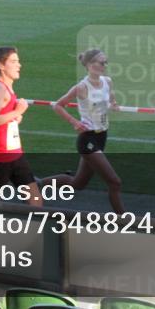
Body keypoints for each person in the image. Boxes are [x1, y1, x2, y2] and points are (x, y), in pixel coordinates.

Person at [41, 49, 125, 213]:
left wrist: (114, 104)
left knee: (77, 184)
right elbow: (58, 105)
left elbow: (111, 96)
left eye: (105, 62)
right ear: (89, 64)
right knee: (115, 182)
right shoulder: (81, 87)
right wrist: (75, 122)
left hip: (102, 136)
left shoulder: (108, 81)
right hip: (87, 140)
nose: (104, 65)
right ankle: (124, 220)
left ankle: (35, 184)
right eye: (101, 62)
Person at [0, 46, 42, 206]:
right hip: (0, 156)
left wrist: (11, 118)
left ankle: (33, 231)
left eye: (18, 61)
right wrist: (17, 112)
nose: (19, 65)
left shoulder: (1, 86)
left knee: (35, 201)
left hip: (15, 154)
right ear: (1, 65)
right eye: (14, 61)